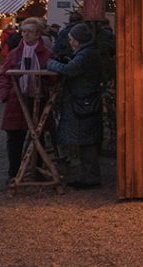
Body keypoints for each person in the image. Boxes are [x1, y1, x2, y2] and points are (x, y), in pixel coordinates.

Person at [47, 23, 103, 189]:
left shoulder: (85, 55)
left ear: (78, 41)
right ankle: (88, 177)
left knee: (87, 142)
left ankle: (90, 178)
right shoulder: (89, 53)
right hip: (87, 100)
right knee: (87, 141)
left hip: (83, 102)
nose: (70, 43)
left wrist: (50, 64)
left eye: (72, 39)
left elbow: (69, 70)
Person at [0, 18, 53, 181]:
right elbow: (4, 75)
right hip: (16, 99)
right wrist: (6, 94)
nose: (25, 34)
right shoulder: (15, 53)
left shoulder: (46, 54)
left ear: (38, 34)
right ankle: (14, 172)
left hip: (38, 98)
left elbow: (52, 76)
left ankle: (37, 170)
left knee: (38, 135)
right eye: (23, 31)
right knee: (14, 136)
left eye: (29, 31)